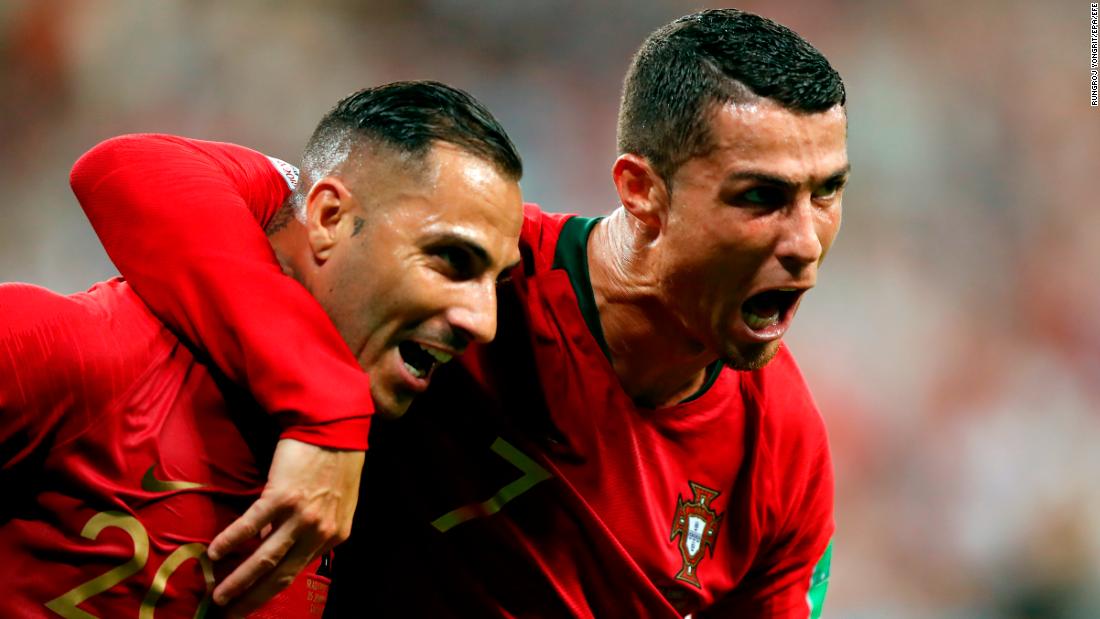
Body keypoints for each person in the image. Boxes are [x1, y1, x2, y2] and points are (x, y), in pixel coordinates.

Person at [76, 9, 848, 618]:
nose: (806, 242)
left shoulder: (783, 453)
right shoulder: (472, 267)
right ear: (642, 192)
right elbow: (134, 169)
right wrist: (327, 417)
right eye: (761, 198)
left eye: (828, 192)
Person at [0, 81, 523, 618]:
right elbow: (126, 165)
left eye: (496, 281)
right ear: (327, 219)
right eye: (451, 260)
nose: (483, 322)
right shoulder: (81, 354)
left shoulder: (399, 458)